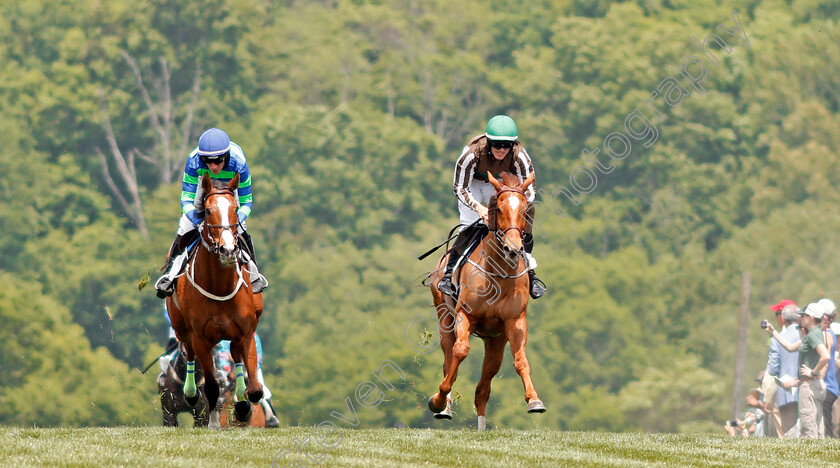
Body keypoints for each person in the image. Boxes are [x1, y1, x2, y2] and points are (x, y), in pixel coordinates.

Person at [437, 115, 546, 299]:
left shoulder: (519, 155)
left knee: (518, 225)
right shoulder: (470, 155)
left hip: (500, 185)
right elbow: (459, 187)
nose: (502, 149)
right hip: (471, 185)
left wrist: (515, 205)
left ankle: (531, 276)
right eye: (497, 144)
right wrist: (479, 208)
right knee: (472, 225)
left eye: (506, 145)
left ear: (513, 145)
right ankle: (447, 275)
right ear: (488, 142)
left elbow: (530, 190)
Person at [154, 127, 266, 298]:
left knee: (242, 231)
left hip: (229, 194)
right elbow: (186, 200)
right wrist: (197, 222)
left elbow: (246, 203)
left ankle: (254, 274)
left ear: (226, 156)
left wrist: (233, 220)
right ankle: (169, 275)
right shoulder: (193, 162)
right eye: (208, 161)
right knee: (184, 229)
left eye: (218, 160)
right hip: (203, 190)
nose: (213, 166)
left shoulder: (239, 163)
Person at [764, 302, 830, 439]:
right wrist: (773, 332)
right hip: (814, 384)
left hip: (810, 385)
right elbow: (789, 347)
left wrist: (813, 372)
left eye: (803, 316)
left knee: (808, 428)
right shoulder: (814, 334)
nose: (801, 319)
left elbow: (825, 356)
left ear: (810, 317)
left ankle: (810, 456)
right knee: (818, 427)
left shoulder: (812, 335)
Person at [214, 334, 280, 427]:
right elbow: (222, 355)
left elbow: (258, 357)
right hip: (230, 369)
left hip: (250, 369)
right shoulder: (224, 338)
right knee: (219, 391)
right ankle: (213, 417)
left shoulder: (254, 337)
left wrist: (248, 364)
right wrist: (227, 368)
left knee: (265, 391)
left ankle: (271, 416)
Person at [763, 301, 801, 437]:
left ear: (784, 318)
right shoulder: (806, 335)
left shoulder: (777, 339)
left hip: (786, 393)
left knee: (790, 433)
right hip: (805, 387)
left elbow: (773, 369)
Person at [818, 298, 838, 438]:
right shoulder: (829, 334)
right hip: (830, 387)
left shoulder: (827, 335)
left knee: (826, 429)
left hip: (827, 386)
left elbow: (824, 362)